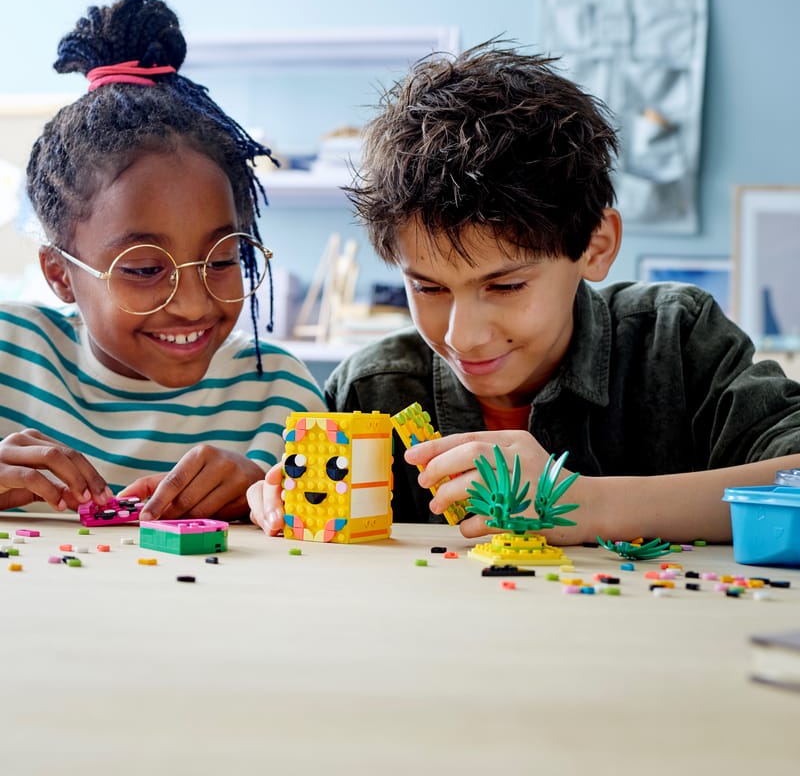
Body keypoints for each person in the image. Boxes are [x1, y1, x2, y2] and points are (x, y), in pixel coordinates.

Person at [249, 41, 800, 543]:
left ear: (595, 246)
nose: (463, 336)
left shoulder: (676, 341)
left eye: (506, 285)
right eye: (428, 287)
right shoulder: (371, 391)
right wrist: (273, 500)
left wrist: (584, 503)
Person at [1, 0, 324, 524]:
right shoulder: (8, 354)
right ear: (59, 274)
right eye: (146, 269)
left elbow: (330, 539)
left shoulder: (278, 395)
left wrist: (273, 502)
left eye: (222, 260)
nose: (194, 304)